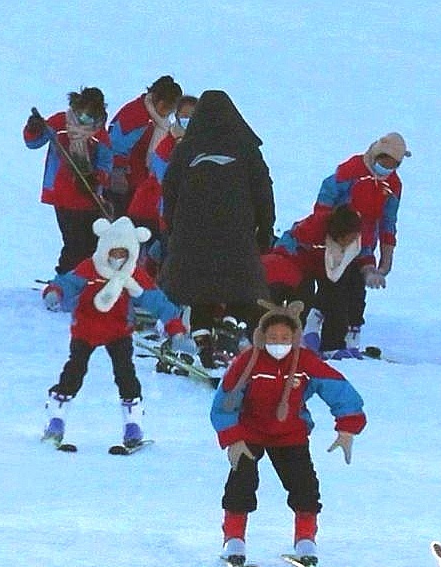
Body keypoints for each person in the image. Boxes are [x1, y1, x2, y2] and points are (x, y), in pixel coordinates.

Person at [209, 300, 366, 567]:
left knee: (304, 485)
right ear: (261, 337)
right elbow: (224, 402)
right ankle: (233, 540)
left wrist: (347, 427)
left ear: (295, 337)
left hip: (290, 435)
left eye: (284, 337)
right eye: (272, 337)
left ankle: (306, 540)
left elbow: (339, 390)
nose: (278, 343)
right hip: (250, 433)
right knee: (241, 483)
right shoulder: (248, 362)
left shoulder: (306, 362)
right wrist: (232, 437)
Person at [41, 217, 189, 449]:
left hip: (118, 331)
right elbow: (68, 282)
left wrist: (175, 329)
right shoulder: (91, 267)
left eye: (123, 253)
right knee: (74, 371)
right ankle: (56, 419)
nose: (117, 257)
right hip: (86, 329)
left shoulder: (134, 276)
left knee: (125, 375)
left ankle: (133, 425)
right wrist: (55, 291)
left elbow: (156, 301)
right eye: (114, 251)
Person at [159, 90, 275, 366]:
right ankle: (229, 333)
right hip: (237, 235)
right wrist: (265, 229)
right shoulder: (246, 149)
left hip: (192, 234)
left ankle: (200, 338)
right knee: (237, 287)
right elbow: (264, 192)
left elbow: (169, 189)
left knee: (200, 288)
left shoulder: (186, 149)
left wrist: (173, 227)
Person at [306, 132, 410, 357]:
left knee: (355, 291)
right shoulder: (350, 172)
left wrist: (386, 255)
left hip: (364, 247)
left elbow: (388, 221)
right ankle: (322, 337)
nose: (387, 168)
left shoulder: (393, 185)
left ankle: (349, 338)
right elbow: (325, 199)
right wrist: (327, 228)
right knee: (334, 285)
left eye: (394, 165)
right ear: (376, 155)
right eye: (385, 162)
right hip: (337, 240)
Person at [24, 87, 113, 274]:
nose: (85, 117)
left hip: (87, 197)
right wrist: (33, 128)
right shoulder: (60, 123)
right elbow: (34, 142)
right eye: (83, 112)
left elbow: (106, 163)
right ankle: (65, 278)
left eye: (90, 114)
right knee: (74, 243)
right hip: (62, 195)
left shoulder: (100, 134)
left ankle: (79, 279)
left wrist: (96, 178)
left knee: (89, 243)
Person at [261, 205, 363, 349]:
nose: (350, 242)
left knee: (335, 295)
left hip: (312, 267)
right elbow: (297, 252)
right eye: (348, 239)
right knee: (303, 297)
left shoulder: (348, 241)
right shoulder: (311, 230)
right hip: (295, 265)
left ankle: (330, 344)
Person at [127, 93, 197, 271]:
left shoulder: (201, 144)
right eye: (184, 116)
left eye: (192, 117)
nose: (187, 121)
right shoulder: (167, 144)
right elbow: (166, 177)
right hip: (151, 210)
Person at [107, 75, 184, 218]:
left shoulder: (158, 121)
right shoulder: (136, 116)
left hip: (140, 184)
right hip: (125, 185)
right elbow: (116, 146)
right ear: (156, 99)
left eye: (171, 110)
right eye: (166, 107)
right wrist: (118, 173)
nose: (168, 113)